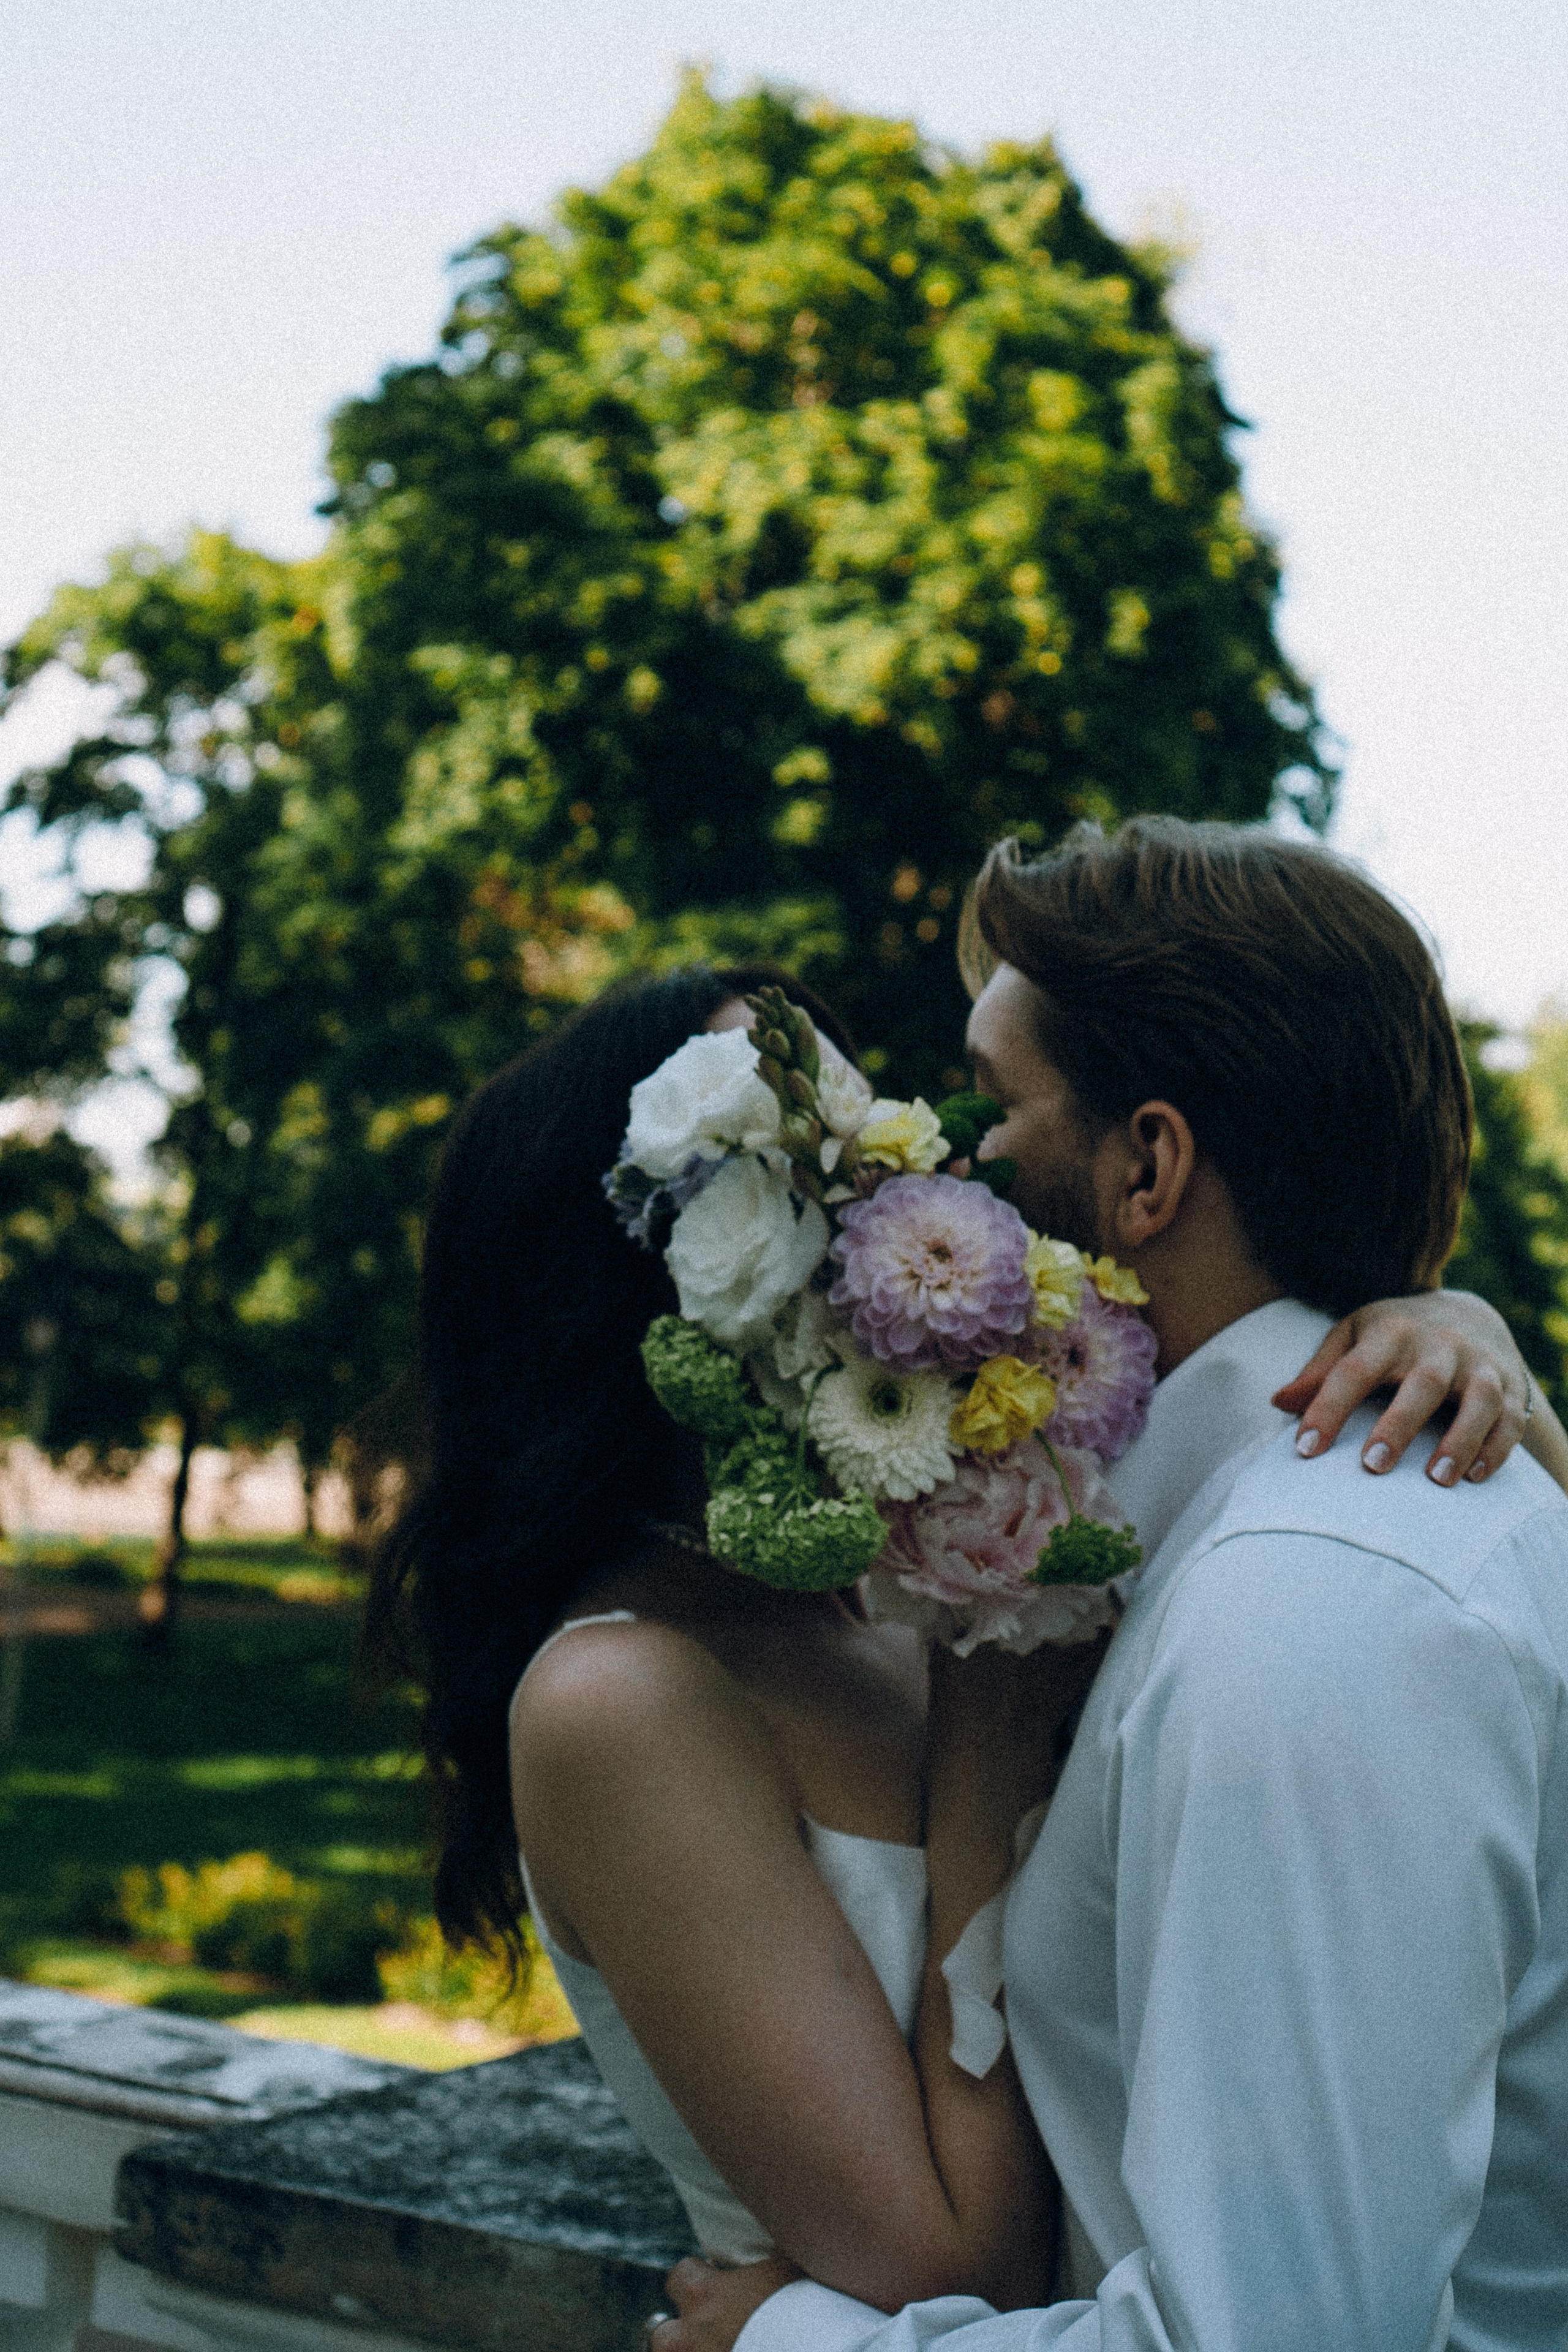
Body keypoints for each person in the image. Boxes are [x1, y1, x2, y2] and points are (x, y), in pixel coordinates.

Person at [366, 949, 1555, 2323]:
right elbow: (953, 2265)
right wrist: (983, 1737)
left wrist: (1459, 1341)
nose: (895, 1191)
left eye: (870, 1139)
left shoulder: (903, 1568)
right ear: (653, 1257)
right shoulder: (622, 1700)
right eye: (806, 1160)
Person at [662, 825, 1568, 2352]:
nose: (948, 1170)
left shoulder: (1305, 1616)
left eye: (991, 1107)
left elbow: (1284, 2337)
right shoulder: (1244, 1548)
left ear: (1145, 1167)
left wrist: (786, 2345)